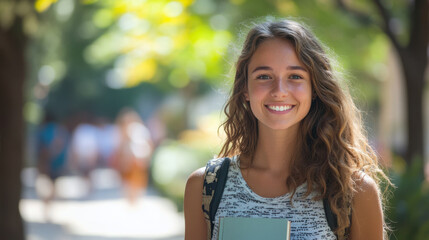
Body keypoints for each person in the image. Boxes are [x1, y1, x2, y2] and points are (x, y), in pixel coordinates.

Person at [184, 18, 391, 240]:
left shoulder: (353, 191)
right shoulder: (206, 187)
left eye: (295, 76)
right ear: (245, 88)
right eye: (264, 76)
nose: (279, 91)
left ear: (314, 88)